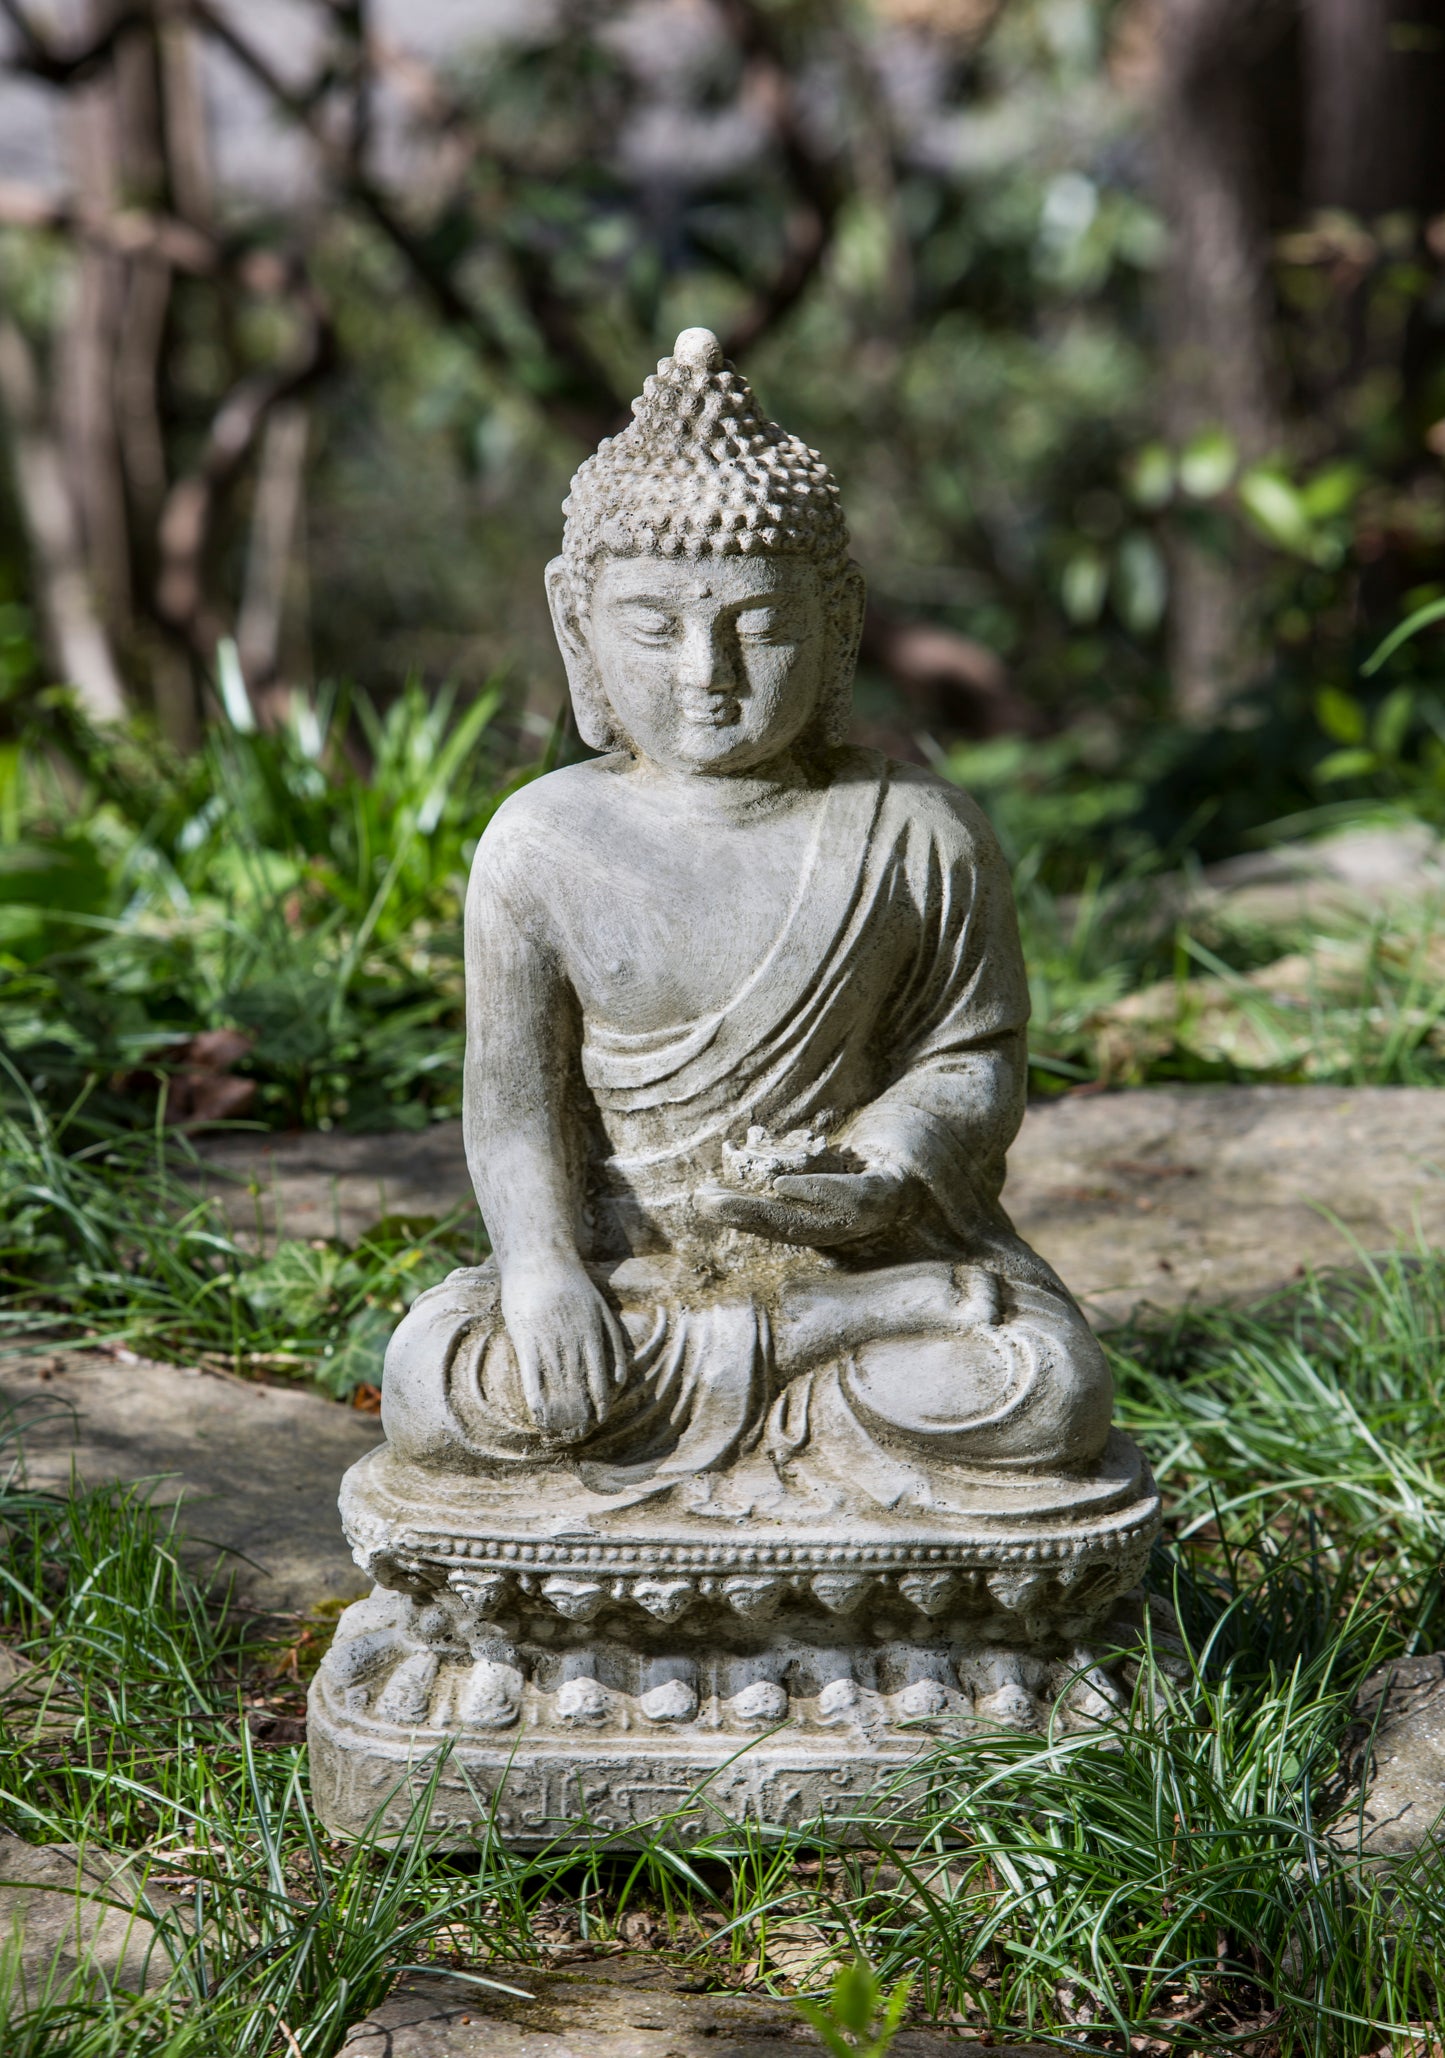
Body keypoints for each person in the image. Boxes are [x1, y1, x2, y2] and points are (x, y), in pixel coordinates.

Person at [381, 329, 1112, 1523]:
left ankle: (839, 1319)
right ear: (578, 627)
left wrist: (879, 1159)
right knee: (448, 1385)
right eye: (653, 628)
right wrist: (540, 1273)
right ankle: (810, 1341)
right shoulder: (538, 842)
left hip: (859, 1258)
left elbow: (970, 1061)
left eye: (758, 629)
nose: (705, 674)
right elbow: (513, 1106)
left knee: (1040, 1388)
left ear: (836, 627)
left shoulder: (918, 833)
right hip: (634, 1282)